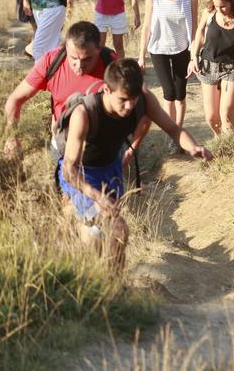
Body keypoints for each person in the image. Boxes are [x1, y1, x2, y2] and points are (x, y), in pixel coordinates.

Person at [59, 58, 212, 265]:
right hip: (82, 174)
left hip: (111, 169)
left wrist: (193, 147)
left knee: (115, 234)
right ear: (106, 90)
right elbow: (69, 169)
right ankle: (83, 268)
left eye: (134, 98)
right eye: (123, 99)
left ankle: (114, 279)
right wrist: (96, 196)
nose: (130, 106)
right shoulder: (84, 113)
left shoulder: (144, 99)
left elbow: (173, 129)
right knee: (104, 230)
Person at [4, 21, 115, 156]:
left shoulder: (111, 63)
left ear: (99, 49)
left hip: (103, 145)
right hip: (63, 144)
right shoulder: (51, 61)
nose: (79, 65)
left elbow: (133, 101)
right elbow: (15, 99)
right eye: (73, 58)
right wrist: (11, 137)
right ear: (66, 48)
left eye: (87, 59)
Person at [138, 0, 198, 149]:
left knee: (180, 93)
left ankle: (178, 133)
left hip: (182, 48)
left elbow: (195, 28)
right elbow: (146, 27)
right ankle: (171, 132)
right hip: (159, 49)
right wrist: (141, 56)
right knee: (169, 93)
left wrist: (194, 56)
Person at [189, 0, 234, 136]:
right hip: (208, 67)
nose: (219, 9)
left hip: (233, 69)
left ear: (232, 2)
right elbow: (199, 32)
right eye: (216, 5)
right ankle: (220, 141)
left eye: (223, 6)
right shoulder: (209, 13)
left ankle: (232, 146)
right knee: (211, 118)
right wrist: (194, 56)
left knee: (226, 115)